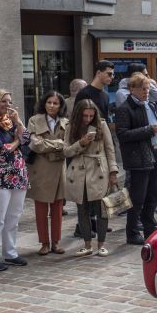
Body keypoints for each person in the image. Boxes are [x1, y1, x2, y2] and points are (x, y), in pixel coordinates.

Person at [115, 74, 157, 245]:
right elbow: (122, 134)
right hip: (138, 158)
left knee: (153, 194)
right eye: (143, 89)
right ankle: (132, 231)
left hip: (154, 154)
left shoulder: (149, 104)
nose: (146, 92)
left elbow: (155, 123)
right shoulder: (125, 108)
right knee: (137, 197)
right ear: (132, 89)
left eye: (148, 89)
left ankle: (149, 227)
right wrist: (149, 130)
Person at [64, 99, 118, 256]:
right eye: (84, 116)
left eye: (90, 115)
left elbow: (110, 149)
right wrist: (81, 142)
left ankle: (101, 244)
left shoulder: (101, 125)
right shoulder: (70, 127)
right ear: (78, 114)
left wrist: (113, 172)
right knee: (83, 210)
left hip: (99, 171)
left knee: (102, 210)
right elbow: (66, 151)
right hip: (79, 173)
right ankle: (87, 245)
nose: (88, 119)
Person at [27, 91, 69, 256]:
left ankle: (56, 242)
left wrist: (52, 144)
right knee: (41, 208)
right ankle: (44, 242)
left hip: (59, 169)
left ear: (60, 106)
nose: (52, 106)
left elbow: (68, 144)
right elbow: (35, 145)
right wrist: (58, 144)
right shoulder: (34, 120)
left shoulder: (66, 121)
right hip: (41, 169)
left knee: (58, 209)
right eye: (49, 102)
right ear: (44, 103)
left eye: (55, 103)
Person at [0, 90, 29, 271]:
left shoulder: (10, 122)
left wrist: (18, 122)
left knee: (13, 217)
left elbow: (27, 139)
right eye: (3, 101)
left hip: (18, 174)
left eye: (9, 101)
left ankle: (10, 253)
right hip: (0, 177)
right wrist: (17, 142)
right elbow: (3, 149)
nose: (7, 105)